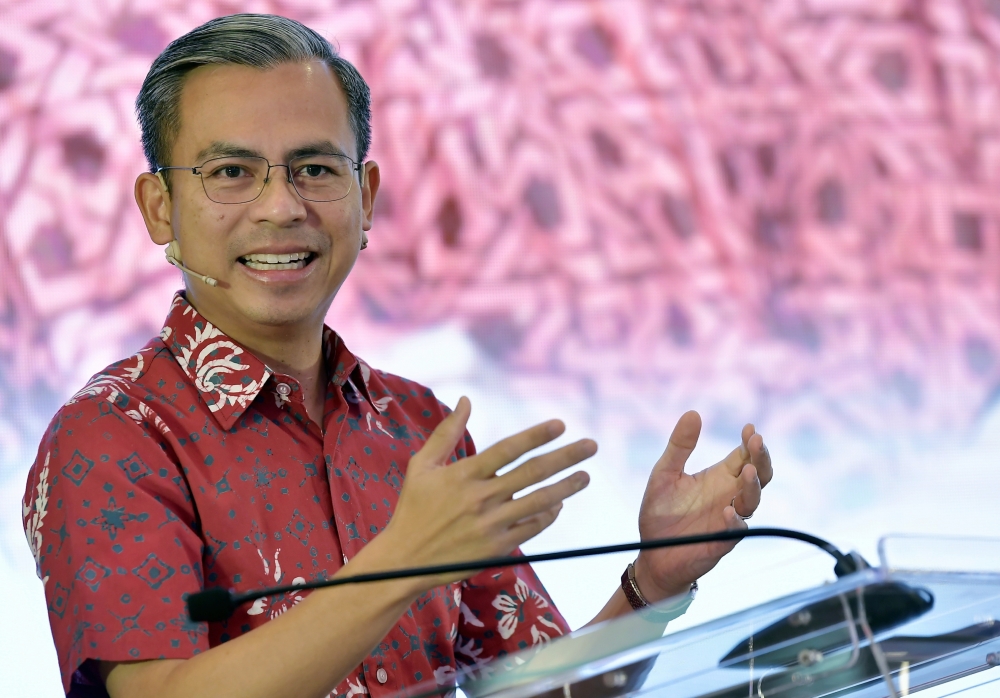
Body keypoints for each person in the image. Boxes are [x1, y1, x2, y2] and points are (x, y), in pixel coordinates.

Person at [21, 14, 772, 698]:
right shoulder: (112, 436)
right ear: (160, 208)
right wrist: (403, 558)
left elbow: (536, 693)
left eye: (315, 168)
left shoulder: (416, 426)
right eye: (230, 173)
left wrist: (655, 584)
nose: (281, 206)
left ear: (366, 196)